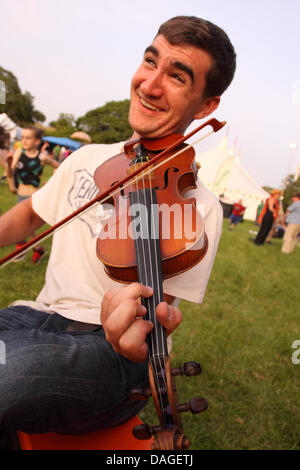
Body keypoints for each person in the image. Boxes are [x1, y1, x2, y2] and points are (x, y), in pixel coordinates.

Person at [0, 16, 236, 441]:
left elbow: (156, 315)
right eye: (150, 61)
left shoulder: (197, 205)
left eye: (177, 77)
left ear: (205, 107)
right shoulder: (89, 157)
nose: (150, 84)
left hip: (106, 351)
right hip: (32, 316)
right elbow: (30, 215)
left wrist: (134, 337)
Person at [8, 127, 59, 263]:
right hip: (20, 193)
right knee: (27, 225)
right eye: (22, 137)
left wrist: (50, 183)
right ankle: (37, 248)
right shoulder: (19, 153)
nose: (24, 140)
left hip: (33, 195)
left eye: (28, 138)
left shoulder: (42, 157)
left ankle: (22, 246)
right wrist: (8, 168)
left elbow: (59, 167)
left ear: (37, 141)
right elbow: (11, 173)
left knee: (24, 223)